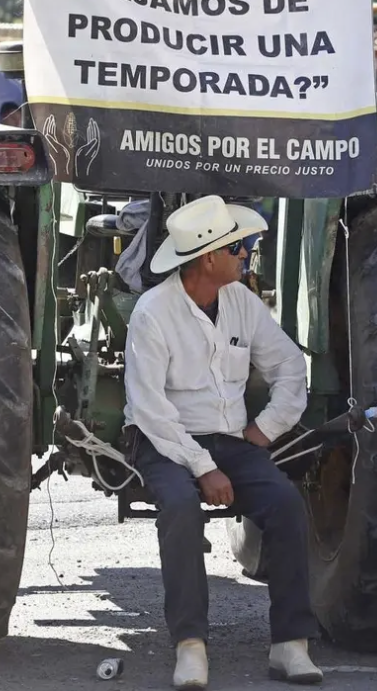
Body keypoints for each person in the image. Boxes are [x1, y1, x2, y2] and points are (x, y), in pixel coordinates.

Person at [122, 196, 320, 689]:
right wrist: (203, 466)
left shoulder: (242, 302)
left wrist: (264, 431)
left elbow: (291, 368)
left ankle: (290, 644)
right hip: (163, 441)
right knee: (181, 507)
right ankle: (191, 646)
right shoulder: (153, 313)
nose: (248, 255)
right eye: (241, 247)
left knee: (286, 503)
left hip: (231, 439)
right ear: (209, 257)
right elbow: (150, 411)